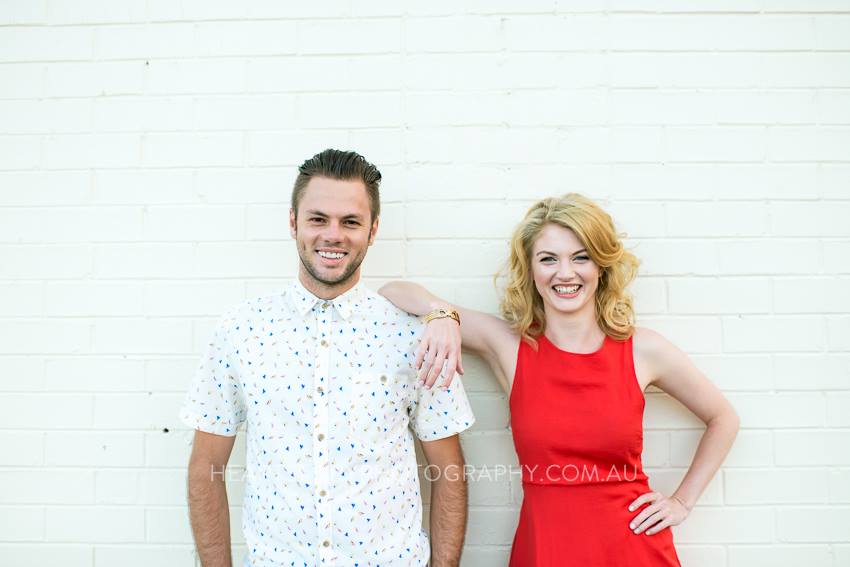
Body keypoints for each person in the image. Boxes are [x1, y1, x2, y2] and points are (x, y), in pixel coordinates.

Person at [379, 193, 739, 566]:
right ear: (531, 269)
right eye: (548, 259)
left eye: (580, 257)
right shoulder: (510, 347)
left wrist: (682, 501)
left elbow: (724, 418)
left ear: (601, 265)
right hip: (546, 548)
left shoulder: (643, 350)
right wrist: (441, 314)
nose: (565, 273)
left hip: (633, 548)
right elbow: (392, 293)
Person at [179, 149, 476, 567]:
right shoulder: (241, 331)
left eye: (350, 222)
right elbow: (205, 468)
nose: (333, 235)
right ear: (293, 222)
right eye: (318, 219)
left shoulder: (415, 335)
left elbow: (449, 471)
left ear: (373, 230)